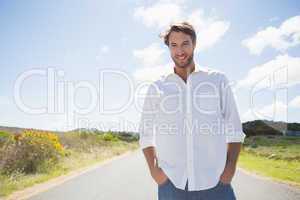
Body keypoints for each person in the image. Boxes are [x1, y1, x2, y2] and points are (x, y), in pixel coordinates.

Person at [138, 21, 246, 200]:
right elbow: (145, 134)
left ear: (194, 44)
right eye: (174, 45)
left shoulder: (217, 80)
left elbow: (234, 129)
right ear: (169, 48)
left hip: (216, 183)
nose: (179, 51)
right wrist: (155, 171)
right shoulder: (157, 87)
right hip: (172, 185)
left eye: (185, 44)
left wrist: (230, 169)